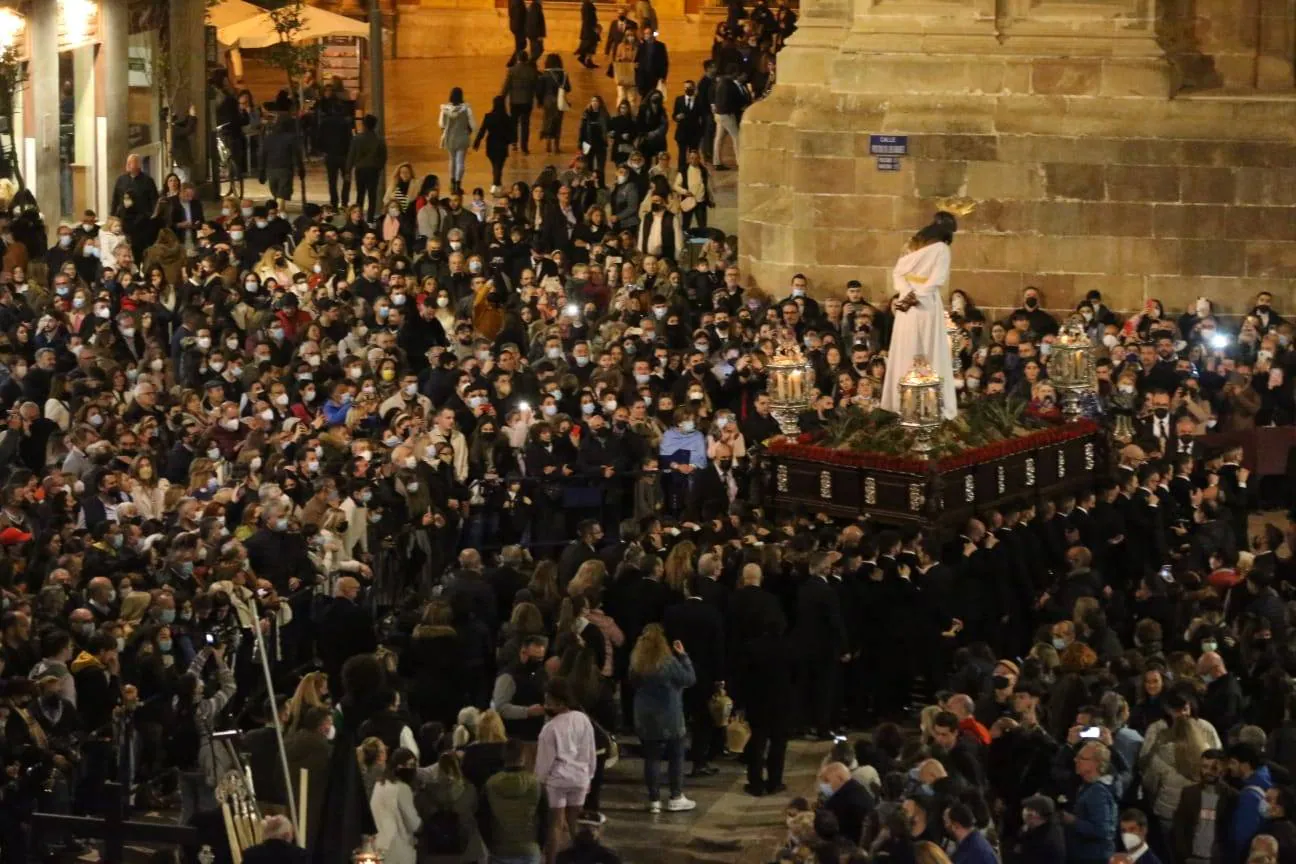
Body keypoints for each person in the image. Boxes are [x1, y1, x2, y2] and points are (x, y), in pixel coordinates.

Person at [880, 210, 960, 420]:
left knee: (906, 348)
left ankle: (901, 403)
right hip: (926, 304)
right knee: (930, 350)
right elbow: (937, 279)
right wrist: (917, 296)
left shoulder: (912, 244)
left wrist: (906, 294)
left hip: (907, 305)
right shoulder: (942, 249)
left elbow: (898, 272)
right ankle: (931, 403)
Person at [630, 623, 697, 813]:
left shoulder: (636, 662)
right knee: (676, 756)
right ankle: (676, 796)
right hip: (669, 715)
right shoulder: (668, 662)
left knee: (651, 758)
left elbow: (632, 683)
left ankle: (654, 800)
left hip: (645, 716)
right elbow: (689, 679)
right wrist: (683, 656)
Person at [535, 678, 597, 864]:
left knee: (555, 825)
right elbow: (590, 750)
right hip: (580, 777)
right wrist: (590, 776)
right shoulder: (583, 719)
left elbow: (544, 762)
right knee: (574, 823)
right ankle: (581, 859)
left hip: (557, 780)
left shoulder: (549, 729)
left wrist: (539, 780)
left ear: (558, 701)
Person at [371, 746, 421, 864]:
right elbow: (413, 823)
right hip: (398, 848)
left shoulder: (379, 785)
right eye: (411, 764)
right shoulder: (402, 789)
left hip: (377, 845)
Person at [347, 114, 388, 222]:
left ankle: (358, 217)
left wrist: (348, 171)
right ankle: (370, 219)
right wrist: (379, 167)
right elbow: (383, 157)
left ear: (364, 125)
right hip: (373, 170)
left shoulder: (357, 139)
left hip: (360, 169)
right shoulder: (379, 140)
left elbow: (351, 156)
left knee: (360, 194)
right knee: (372, 195)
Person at [473, 96, 516, 193]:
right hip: (502, 145)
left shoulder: (488, 116)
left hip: (491, 144)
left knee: (495, 166)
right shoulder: (507, 118)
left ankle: (496, 184)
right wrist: (513, 142)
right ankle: (496, 184)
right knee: (499, 166)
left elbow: (482, 130)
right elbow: (512, 132)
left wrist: (477, 141)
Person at [439, 88, 476, 196]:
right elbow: (473, 125)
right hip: (462, 137)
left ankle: (452, 182)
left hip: (450, 138)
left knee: (452, 160)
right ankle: (458, 185)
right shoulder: (466, 109)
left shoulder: (445, 109)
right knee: (460, 162)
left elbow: (441, 124)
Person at [537, 55, 572, 155]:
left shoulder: (544, 74)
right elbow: (568, 88)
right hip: (559, 101)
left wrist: (540, 101)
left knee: (547, 121)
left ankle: (548, 144)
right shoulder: (564, 74)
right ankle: (556, 146)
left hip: (547, 101)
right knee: (558, 122)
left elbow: (540, 90)